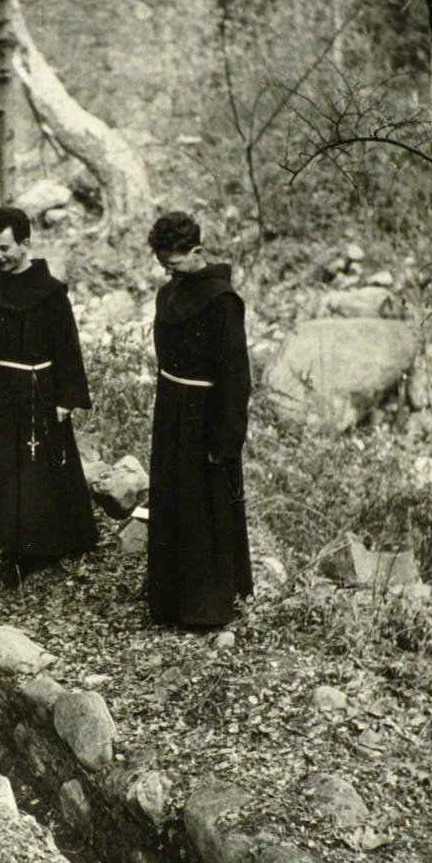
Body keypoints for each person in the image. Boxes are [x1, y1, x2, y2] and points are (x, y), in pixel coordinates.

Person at [0, 206, 98, 577]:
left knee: (41, 467)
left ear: (26, 244)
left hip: (41, 389)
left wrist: (66, 398)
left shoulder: (51, 292)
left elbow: (67, 347)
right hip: (2, 389)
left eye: (5, 248)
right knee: (6, 467)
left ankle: (46, 546)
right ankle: (12, 544)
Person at [145, 211, 252, 627]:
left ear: (197, 252)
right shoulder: (169, 294)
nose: (167, 271)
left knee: (205, 508)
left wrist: (226, 440)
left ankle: (207, 607)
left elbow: (235, 377)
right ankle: (171, 601)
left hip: (206, 416)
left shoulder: (222, 302)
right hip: (172, 409)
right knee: (173, 502)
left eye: (173, 263)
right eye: (162, 264)